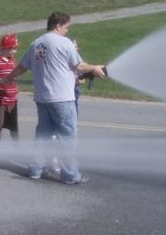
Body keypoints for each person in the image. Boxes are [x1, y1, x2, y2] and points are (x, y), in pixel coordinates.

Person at [6, 12, 105, 185]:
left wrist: (8, 78)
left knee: (43, 134)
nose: (67, 31)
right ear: (58, 25)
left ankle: (36, 170)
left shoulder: (36, 43)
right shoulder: (64, 43)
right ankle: (70, 175)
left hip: (42, 97)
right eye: (67, 27)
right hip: (62, 98)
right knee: (67, 136)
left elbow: (22, 66)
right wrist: (95, 68)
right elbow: (79, 65)